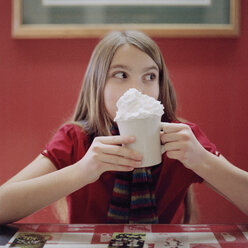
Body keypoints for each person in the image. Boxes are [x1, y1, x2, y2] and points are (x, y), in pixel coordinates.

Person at [0, 30, 247, 225]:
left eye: (150, 77)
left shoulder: (183, 139)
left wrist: (203, 161)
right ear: (97, 84)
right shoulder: (75, 139)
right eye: (121, 75)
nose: (137, 90)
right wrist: (83, 171)